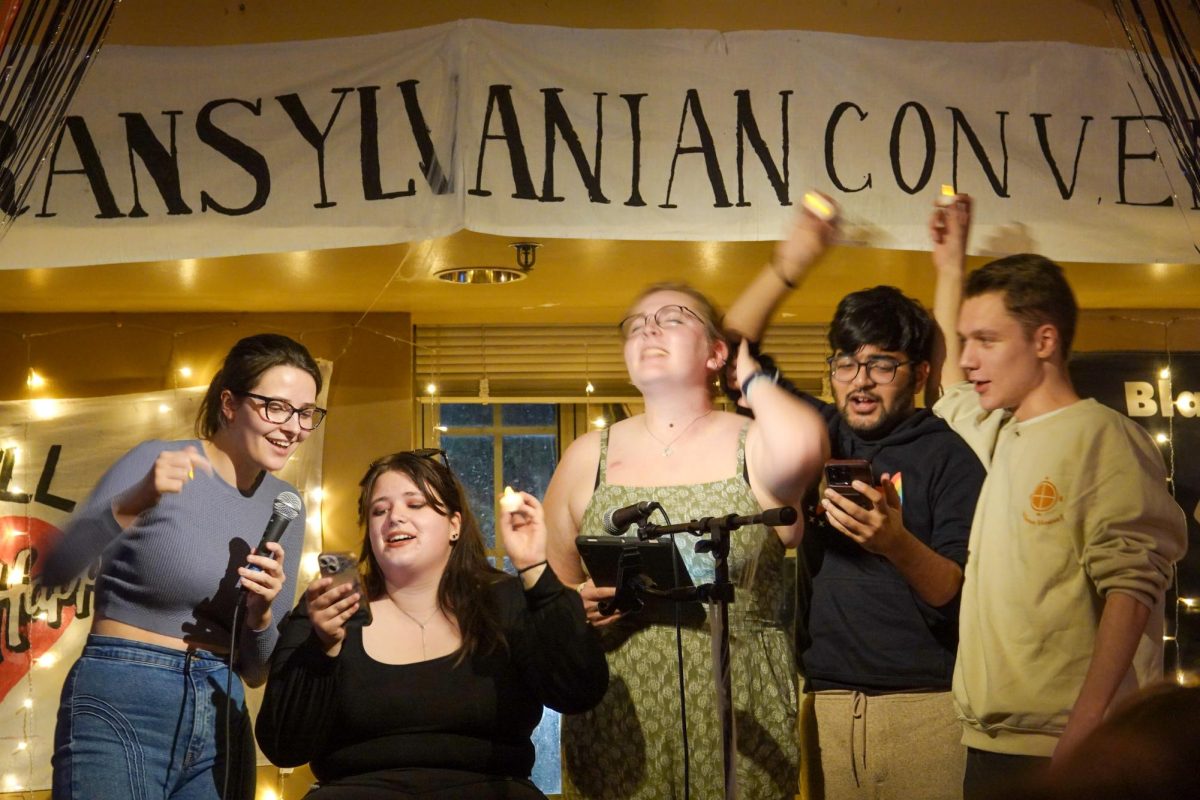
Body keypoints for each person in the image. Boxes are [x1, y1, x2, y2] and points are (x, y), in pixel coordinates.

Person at [722, 196, 985, 799]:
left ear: (919, 374)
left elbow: (958, 593)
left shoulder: (949, 454)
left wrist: (894, 543)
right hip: (826, 700)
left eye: (882, 364)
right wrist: (790, 264)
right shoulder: (815, 434)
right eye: (845, 363)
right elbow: (732, 355)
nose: (859, 380)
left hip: (929, 705)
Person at [930, 208, 1189, 798]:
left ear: (1045, 340)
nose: (969, 358)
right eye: (966, 340)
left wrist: (1082, 735)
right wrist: (949, 264)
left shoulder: (1103, 437)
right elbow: (950, 385)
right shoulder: (1002, 433)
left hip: (1065, 750)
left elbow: (1132, 588)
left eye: (987, 340)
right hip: (990, 745)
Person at [545, 283, 828, 799]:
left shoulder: (755, 442)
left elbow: (807, 444)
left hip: (740, 706)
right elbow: (552, 592)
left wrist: (752, 377)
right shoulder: (588, 456)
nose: (648, 328)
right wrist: (576, 608)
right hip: (619, 714)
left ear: (715, 351)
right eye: (635, 324)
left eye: (672, 318)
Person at [44, 332, 324, 800]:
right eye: (276, 407)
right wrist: (134, 502)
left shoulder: (286, 505)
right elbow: (55, 569)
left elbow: (257, 671)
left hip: (222, 705)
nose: (292, 426)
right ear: (230, 404)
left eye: (305, 413)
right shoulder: (158, 459)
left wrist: (261, 614)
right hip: (125, 690)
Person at [256, 450, 608, 799]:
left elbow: (580, 691)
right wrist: (323, 648)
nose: (394, 517)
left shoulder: (504, 600)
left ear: (454, 524)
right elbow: (285, 747)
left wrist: (535, 568)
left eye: (415, 504)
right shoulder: (332, 606)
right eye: (380, 510)